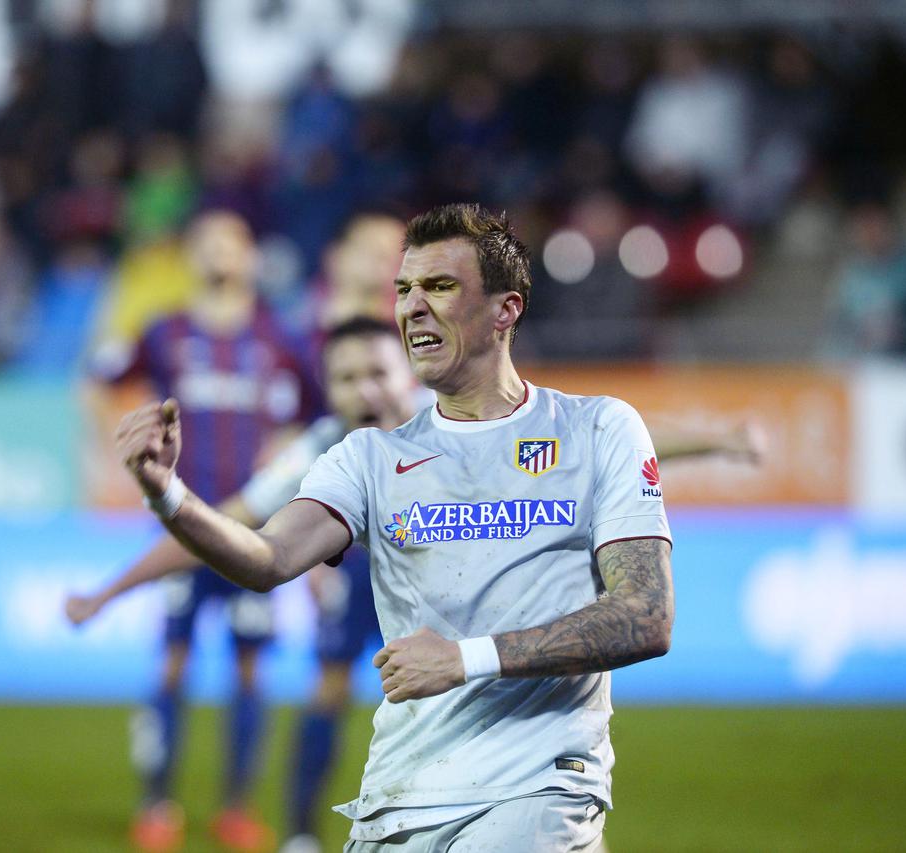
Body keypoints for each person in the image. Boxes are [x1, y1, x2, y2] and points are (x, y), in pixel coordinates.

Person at [109, 202, 676, 851]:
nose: (412, 307)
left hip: (536, 795)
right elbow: (265, 558)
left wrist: (466, 660)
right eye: (405, 289)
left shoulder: (597, 428)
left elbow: (644, 616)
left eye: (440, 287)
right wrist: (166, 492)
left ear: (505, 310)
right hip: (396, 803)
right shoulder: (368, 454)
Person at [88, 209, 319, 853]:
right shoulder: (163, 331)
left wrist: (290, 448)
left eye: (231, 241)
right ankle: (158, 805)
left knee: (251, 671)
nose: (219, 253)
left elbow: (319, 411)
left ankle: (237, 808)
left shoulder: (279, 335)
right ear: (192, 258)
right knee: (171, 666)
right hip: (184, 531)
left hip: (251, 532)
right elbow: (103, 376)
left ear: (250, 257)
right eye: (206, 243)